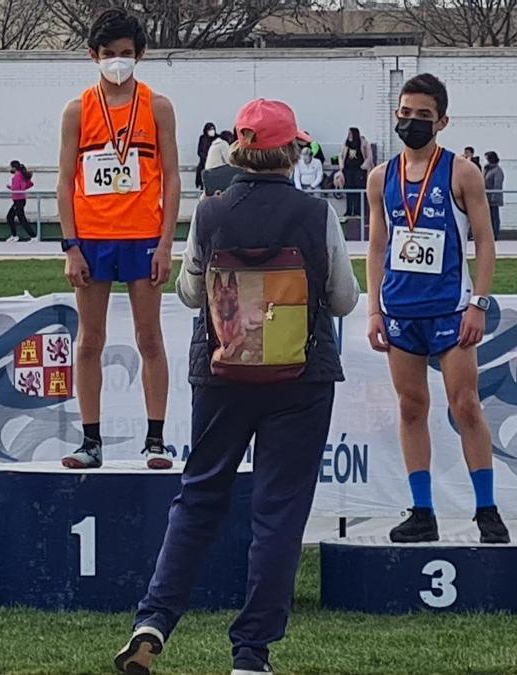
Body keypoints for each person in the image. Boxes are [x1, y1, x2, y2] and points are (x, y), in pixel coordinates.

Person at [115, 98, 359, 675]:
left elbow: (192, 294)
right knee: (278, 513)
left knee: (197, 499)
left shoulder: (211, 212)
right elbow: (345, 299)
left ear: (239, 152)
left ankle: (153, 619)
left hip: (224, 373)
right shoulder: (316, 213)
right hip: (301, 377)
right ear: (292, 151)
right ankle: (251, 653)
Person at [364, 73, 509, 545]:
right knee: (411, 408)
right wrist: (373, 310)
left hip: (450, 310)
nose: (412, 123)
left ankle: (486, 510)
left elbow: (485, 242)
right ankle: (421, 511)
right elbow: (377, 245)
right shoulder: (380, 178)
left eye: (423, 116)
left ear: (442, 121)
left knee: (465, 405)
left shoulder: (460, 173)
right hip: (401, 310)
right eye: (405, 114)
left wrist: (478, 304)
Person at [56, 8, 180, 470]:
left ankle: (155, 440)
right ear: (93, 55)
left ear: (140, 55)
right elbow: (64, 181)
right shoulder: (77, 110)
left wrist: (167, 244)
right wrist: (70, 246)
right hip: (92, 238)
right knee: (90, 341)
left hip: (144, 235)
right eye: (109, 54)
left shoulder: (157, 106)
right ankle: (90, 440)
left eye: (126, 54)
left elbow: (170, 177)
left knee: (150, 338)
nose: (117, 62)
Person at [334, 126, 374, 219]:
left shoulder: (363, 143)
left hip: (359, 170)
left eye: (350, 134)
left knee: (358, 189)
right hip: (347, 170)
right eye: (348, 134)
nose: (349, 136)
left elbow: (369, 156)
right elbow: (341, 154)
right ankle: (348, 211)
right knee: (349, 190)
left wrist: (364, 166)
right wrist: (341, 166)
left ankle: (358, 211)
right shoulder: (346, 144)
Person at [5, 160, 36, 242]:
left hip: (18, 200)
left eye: (11, 167)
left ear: (14, 167)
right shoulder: (22, 175)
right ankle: (15, 235)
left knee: (18, 218)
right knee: (11, 217)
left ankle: (33, 236)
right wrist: (22, 189)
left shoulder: (16, 177)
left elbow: (16, 189)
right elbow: (30, 184)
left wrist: (10, 187)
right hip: (20, 200)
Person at [484, 151, 504, 239]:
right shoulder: (487, 169)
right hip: (486, 198)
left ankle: (495, 234)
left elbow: (497, 185)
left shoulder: (497, 171)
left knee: (494, 217)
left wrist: (493, 198)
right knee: (488, 217)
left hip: (493, 199)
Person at [195, 122, 217, 189]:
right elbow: (199, 151)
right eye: (210, 129)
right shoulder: (202, 138)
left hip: (214, 162)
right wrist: (204, 157)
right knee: (200, 171)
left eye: (213, 129)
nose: (212, 131)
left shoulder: (217, 138)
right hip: (203, 161)